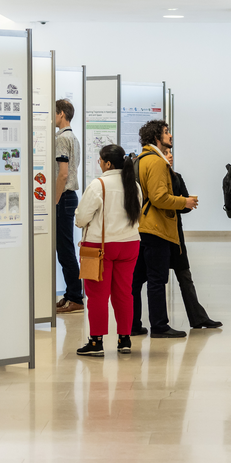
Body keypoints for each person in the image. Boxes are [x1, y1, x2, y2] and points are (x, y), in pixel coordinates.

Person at [130, 119, 197, 338]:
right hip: (156, 229)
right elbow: (159, 198)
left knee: (136, 281)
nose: (170, 135)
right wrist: (184, 202)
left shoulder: (140, 160)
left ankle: (132, 325)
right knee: (156, 280)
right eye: (166, 132)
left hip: (141, 227)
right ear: (156, 137)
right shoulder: (157, 162)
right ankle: (159, 326)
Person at [74, 144, 142, 356]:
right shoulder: (134, 185)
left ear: (108, 163)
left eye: (101, 160)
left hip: (100, 246)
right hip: (130, 244)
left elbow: (81, 218)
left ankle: (96, 342)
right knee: (124, 293)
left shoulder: (98, 185)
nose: (99, 163)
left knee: (97, 295)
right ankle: (124, 339)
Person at [163, 147, 223, 329]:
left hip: (175, 235)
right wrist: (180, 202)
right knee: (153, 280)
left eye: (170, 153)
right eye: (166, 153)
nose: (170, 156)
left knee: (185, 276)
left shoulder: (176, 177)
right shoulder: (153, 178)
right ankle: (148, 323)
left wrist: (186, 203)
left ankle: (197, 317)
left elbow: (185, 206)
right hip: (158, 234)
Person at [54, 99, 83, 314]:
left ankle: (75, 297)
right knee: (65, 249)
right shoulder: (73, 137)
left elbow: (63, 174)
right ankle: (71, 294)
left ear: (61, 114)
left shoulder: (62, 139)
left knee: (65, 251)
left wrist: (54, 200)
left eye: (54, 113)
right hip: (69, 197)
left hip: (63, 197)